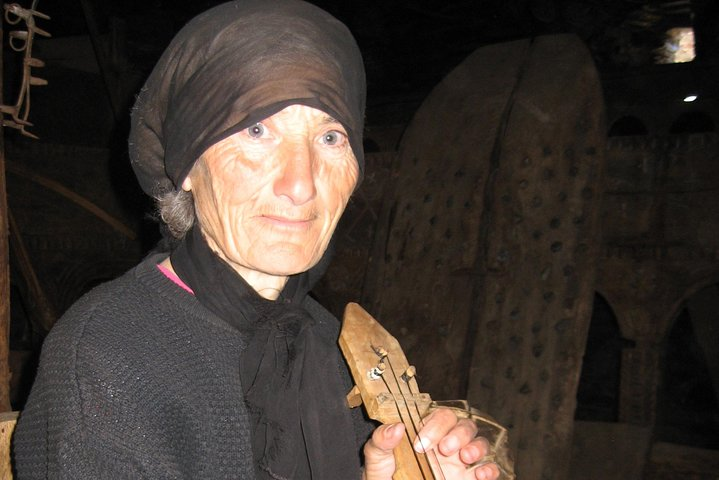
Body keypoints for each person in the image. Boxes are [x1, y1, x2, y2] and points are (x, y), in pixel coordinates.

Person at [13, 1, 501, 478]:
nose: (301, 183)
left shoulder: (331, 342)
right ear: (186, 166)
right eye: (257, 130)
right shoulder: (108, 357)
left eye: (330, 138)